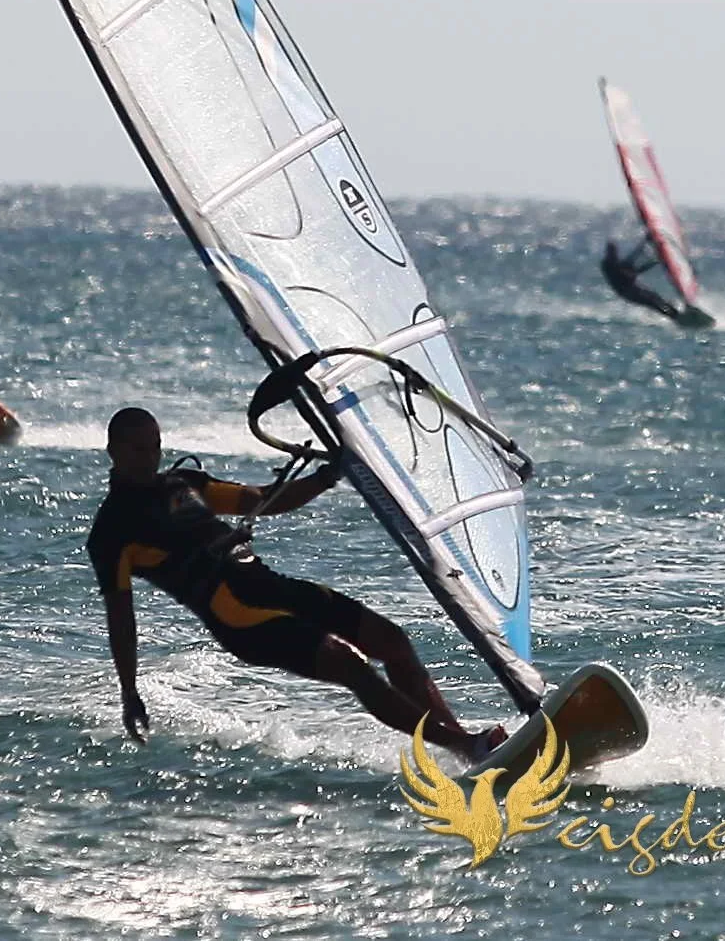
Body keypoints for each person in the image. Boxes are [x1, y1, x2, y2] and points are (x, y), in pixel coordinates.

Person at [88, 406, 506, 762]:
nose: (149, 457)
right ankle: (468, 745)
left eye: (155, 446)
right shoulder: (113, 530)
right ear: (113, 451)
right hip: (240, 618)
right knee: (351, 666)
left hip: (269, 586)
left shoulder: (183, 485)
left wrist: (323, 479)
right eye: (137, 449)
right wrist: (129, 690)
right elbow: (121, 618)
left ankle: (467, 748)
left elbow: (262, 498)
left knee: (392, 640)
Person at [599, 239, 683, 322]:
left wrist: (645, 242)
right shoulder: (608, 265)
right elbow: (629, 273)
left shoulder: (617, 262)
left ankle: (675, 312)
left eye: (615, 251)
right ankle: (674, 317)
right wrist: (654, 262)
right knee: (652, 303)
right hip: (627, 293)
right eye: (612, 251)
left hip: (633, 287)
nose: (615, 253)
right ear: (608, 252)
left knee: (655, 296)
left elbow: (633, 261)